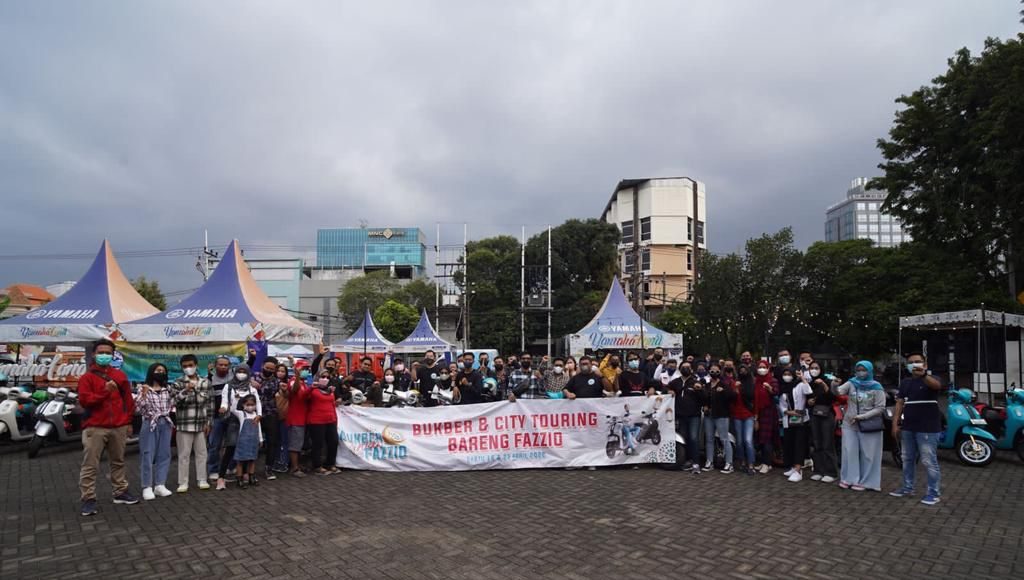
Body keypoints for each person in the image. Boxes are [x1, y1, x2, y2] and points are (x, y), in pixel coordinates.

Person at [78, 339, 139, 516]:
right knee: (90, 464)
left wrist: (128, 422)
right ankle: (88, 498)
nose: (104, 355)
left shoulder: (120, 376)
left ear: (113, 355)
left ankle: (120, 492)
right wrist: (105, 391)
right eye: (101, 352)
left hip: (118, 426)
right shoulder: (87, 378)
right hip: (95, 427)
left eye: (107, 353)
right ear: (94, 354)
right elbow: (85, 401)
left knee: (118, 461)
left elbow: (128, 401)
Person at [890, 353, 944, 505]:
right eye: (911, 362)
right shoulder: (905, 382)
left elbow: (937, 386)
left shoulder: (932, 379)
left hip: (928, 428)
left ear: (925, 364)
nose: (914, 365)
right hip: (908, 426)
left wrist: (924, 375)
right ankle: (907, 487)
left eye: (917, 362)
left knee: (928, 460)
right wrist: (895, 423)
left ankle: (933, 493)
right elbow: (899, 403)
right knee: (907, 458)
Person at [834, 360, 886, 491]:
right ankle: (849, 479)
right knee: (849, 451)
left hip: (869, 424)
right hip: (849, 423)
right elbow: (838, 392)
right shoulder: (852, 383)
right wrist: (834, 384)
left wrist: (862, 417)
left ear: (870, 371)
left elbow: (880, 408)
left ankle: (867, 482)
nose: (861, 372)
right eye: (858, 370)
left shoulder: (877, 387)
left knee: (869, 453)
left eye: (864, 370)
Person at [215, 364, 261, 491]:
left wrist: (259, 415)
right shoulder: (228, 386)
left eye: (244, 371)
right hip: (233, 420)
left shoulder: (251, 388)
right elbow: (225, 401)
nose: (241, 374)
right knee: (231, 447)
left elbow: (257, 402)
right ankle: (221, 477)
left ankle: (244, 474)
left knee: (246, 447)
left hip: (249, 419)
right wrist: (223, 408)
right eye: (239, 371)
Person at [134, 363, 173, 500]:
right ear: (151, 372)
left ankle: (160, 484)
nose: (160, 373)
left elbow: (174, 403)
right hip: (150, 422)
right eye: (157, 370)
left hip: (165, 422)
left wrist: (186, 391)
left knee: (164, 453)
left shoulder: (168, 389)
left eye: (163, 371)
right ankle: (147, 486)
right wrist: (144, 394)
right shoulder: (143, 388)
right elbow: (139, 408)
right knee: (147, 453)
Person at [172, 354, 210, 493]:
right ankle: (183, 482)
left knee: (202, 454)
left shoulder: (205, 382)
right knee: (183, 455)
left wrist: (209, 422)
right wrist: (185, 391)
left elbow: (210, 404)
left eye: (190, 365)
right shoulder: (178, 383)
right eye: (185, 366)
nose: (188, 368)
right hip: (184, 424)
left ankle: (202, 479)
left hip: (201, 424)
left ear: (196, 365)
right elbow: (173, 401)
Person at [807, 362, 838, 483]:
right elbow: (807, 398)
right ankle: (818, 470)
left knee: (827, 443)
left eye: (816, 368)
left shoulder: (828, 381)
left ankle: (831, 472)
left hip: (827, 415)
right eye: (812, 368)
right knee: (817, 443)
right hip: (814, 414)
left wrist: (824, 384)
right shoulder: (811, 383)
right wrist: (809, 402)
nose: (814, 370)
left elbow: (833, 397)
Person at [778, 368, 812, 482]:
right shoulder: (783, 388)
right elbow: (781, 405)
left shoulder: (800, 385)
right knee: (790, 443)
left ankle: (798, 469)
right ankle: (793, 467)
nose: (787, 376)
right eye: (785, 374)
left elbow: (808, 391)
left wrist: (802, 378)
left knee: (799, 444)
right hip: (788, 419)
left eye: (789, 374)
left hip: (800, 419)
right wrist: (787, 412)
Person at [252, 356, 282, 481]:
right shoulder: (253, 377)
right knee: (253, 442)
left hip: (270, 414)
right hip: (254, 414)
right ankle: (250, 470)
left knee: (272, 442)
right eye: (267, 367)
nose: (268, 370)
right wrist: (249, 382)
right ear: (262, 366)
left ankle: (268, 468)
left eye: (271, 369)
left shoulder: (277, 381)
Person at [206, 355, 234, 482]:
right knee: (214, 445)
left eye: (226, 365)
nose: (223, 367)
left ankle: (230, 467)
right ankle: (213, 470)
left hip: (232, 417)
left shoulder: (233, 376)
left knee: (232, 444)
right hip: (216, 417)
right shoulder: (209, 379)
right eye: (220, 365)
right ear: (215, 365)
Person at [703, 365, 735, 472]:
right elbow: (704, 398)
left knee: (724, 439)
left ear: (720, 372)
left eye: (716, 371)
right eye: (712, 370)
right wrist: (705, 405)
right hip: (709, 415)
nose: (714, 372)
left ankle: (729, 463)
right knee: (709, 439)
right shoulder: (706, 385)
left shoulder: (724, 384)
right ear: (709, 372)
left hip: (721, 415)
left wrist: (724, 391)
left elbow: (733, 396)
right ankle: (709, 461)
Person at [308, 370, 340, 475]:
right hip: (316, 421)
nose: (325, 379)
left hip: (331, 420)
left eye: (327, 377)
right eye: (323, 377)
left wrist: (335, 419)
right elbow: (304, 397)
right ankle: (317, 466)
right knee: (318, 443)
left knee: (333, 442)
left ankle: (330, 464)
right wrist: (311, 388)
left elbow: (332, 405)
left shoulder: (330, 391)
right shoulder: (313, 390)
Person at [673, 362, 704, 472]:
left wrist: (699, 390)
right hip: (681, 416)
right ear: (679, 369)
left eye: (687, 367)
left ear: (691, 369)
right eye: (683, 367)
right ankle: (686, 461)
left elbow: (703, 398)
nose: (685, 369)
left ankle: (696, 463)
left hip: (694, 416)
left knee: (694, 438)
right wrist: (668, 390)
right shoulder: (675, 382)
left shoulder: (696, 382)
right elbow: (665, 389)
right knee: (683, 439)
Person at [230, 394, 263, 488]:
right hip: (243, 442)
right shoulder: (241, 414)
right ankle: (239, 479)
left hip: (253, 441)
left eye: (252, 404)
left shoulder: (256, 415)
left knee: (252, 460)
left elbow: (259, 427)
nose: (250, 406)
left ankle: (251, 477)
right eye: (248, 404)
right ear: (244, 405)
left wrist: (260, 439)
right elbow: (232, 410)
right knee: (240, 461)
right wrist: (236, 399)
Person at [285, 361, 312, 477]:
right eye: (304, 368)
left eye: (307, 369)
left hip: (303, 418)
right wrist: (296, 376)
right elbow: (294, 390)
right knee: (295, 444)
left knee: (300, 444)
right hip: (295, 418)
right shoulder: (293, 381)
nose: (306, 371)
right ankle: (294, 468)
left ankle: (297, 465)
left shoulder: (304, 383)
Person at [730, 363, 757, 475]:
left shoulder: (752, 383)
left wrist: (756, 417)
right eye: (740, 371)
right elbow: (731, 399)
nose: (742, 372)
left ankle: (751, 464)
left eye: (744, 370)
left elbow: (755, 400)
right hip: (737, 415)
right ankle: (742, 462)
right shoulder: (735, 383)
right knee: (739, 441)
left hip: (748, 415)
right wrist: (735, 389)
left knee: (748, 440)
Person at [753, 360, 778, 474]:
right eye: (760, 367)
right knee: (760, 439)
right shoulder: (756, 381)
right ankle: (764, 462)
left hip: (769, 412)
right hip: (759, 412)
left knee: (767, 439)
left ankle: (767, 463)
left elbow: (776, 392)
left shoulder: (772, 380)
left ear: (768, 369)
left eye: (764, 367)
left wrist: (769, 389)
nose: (762, 369)